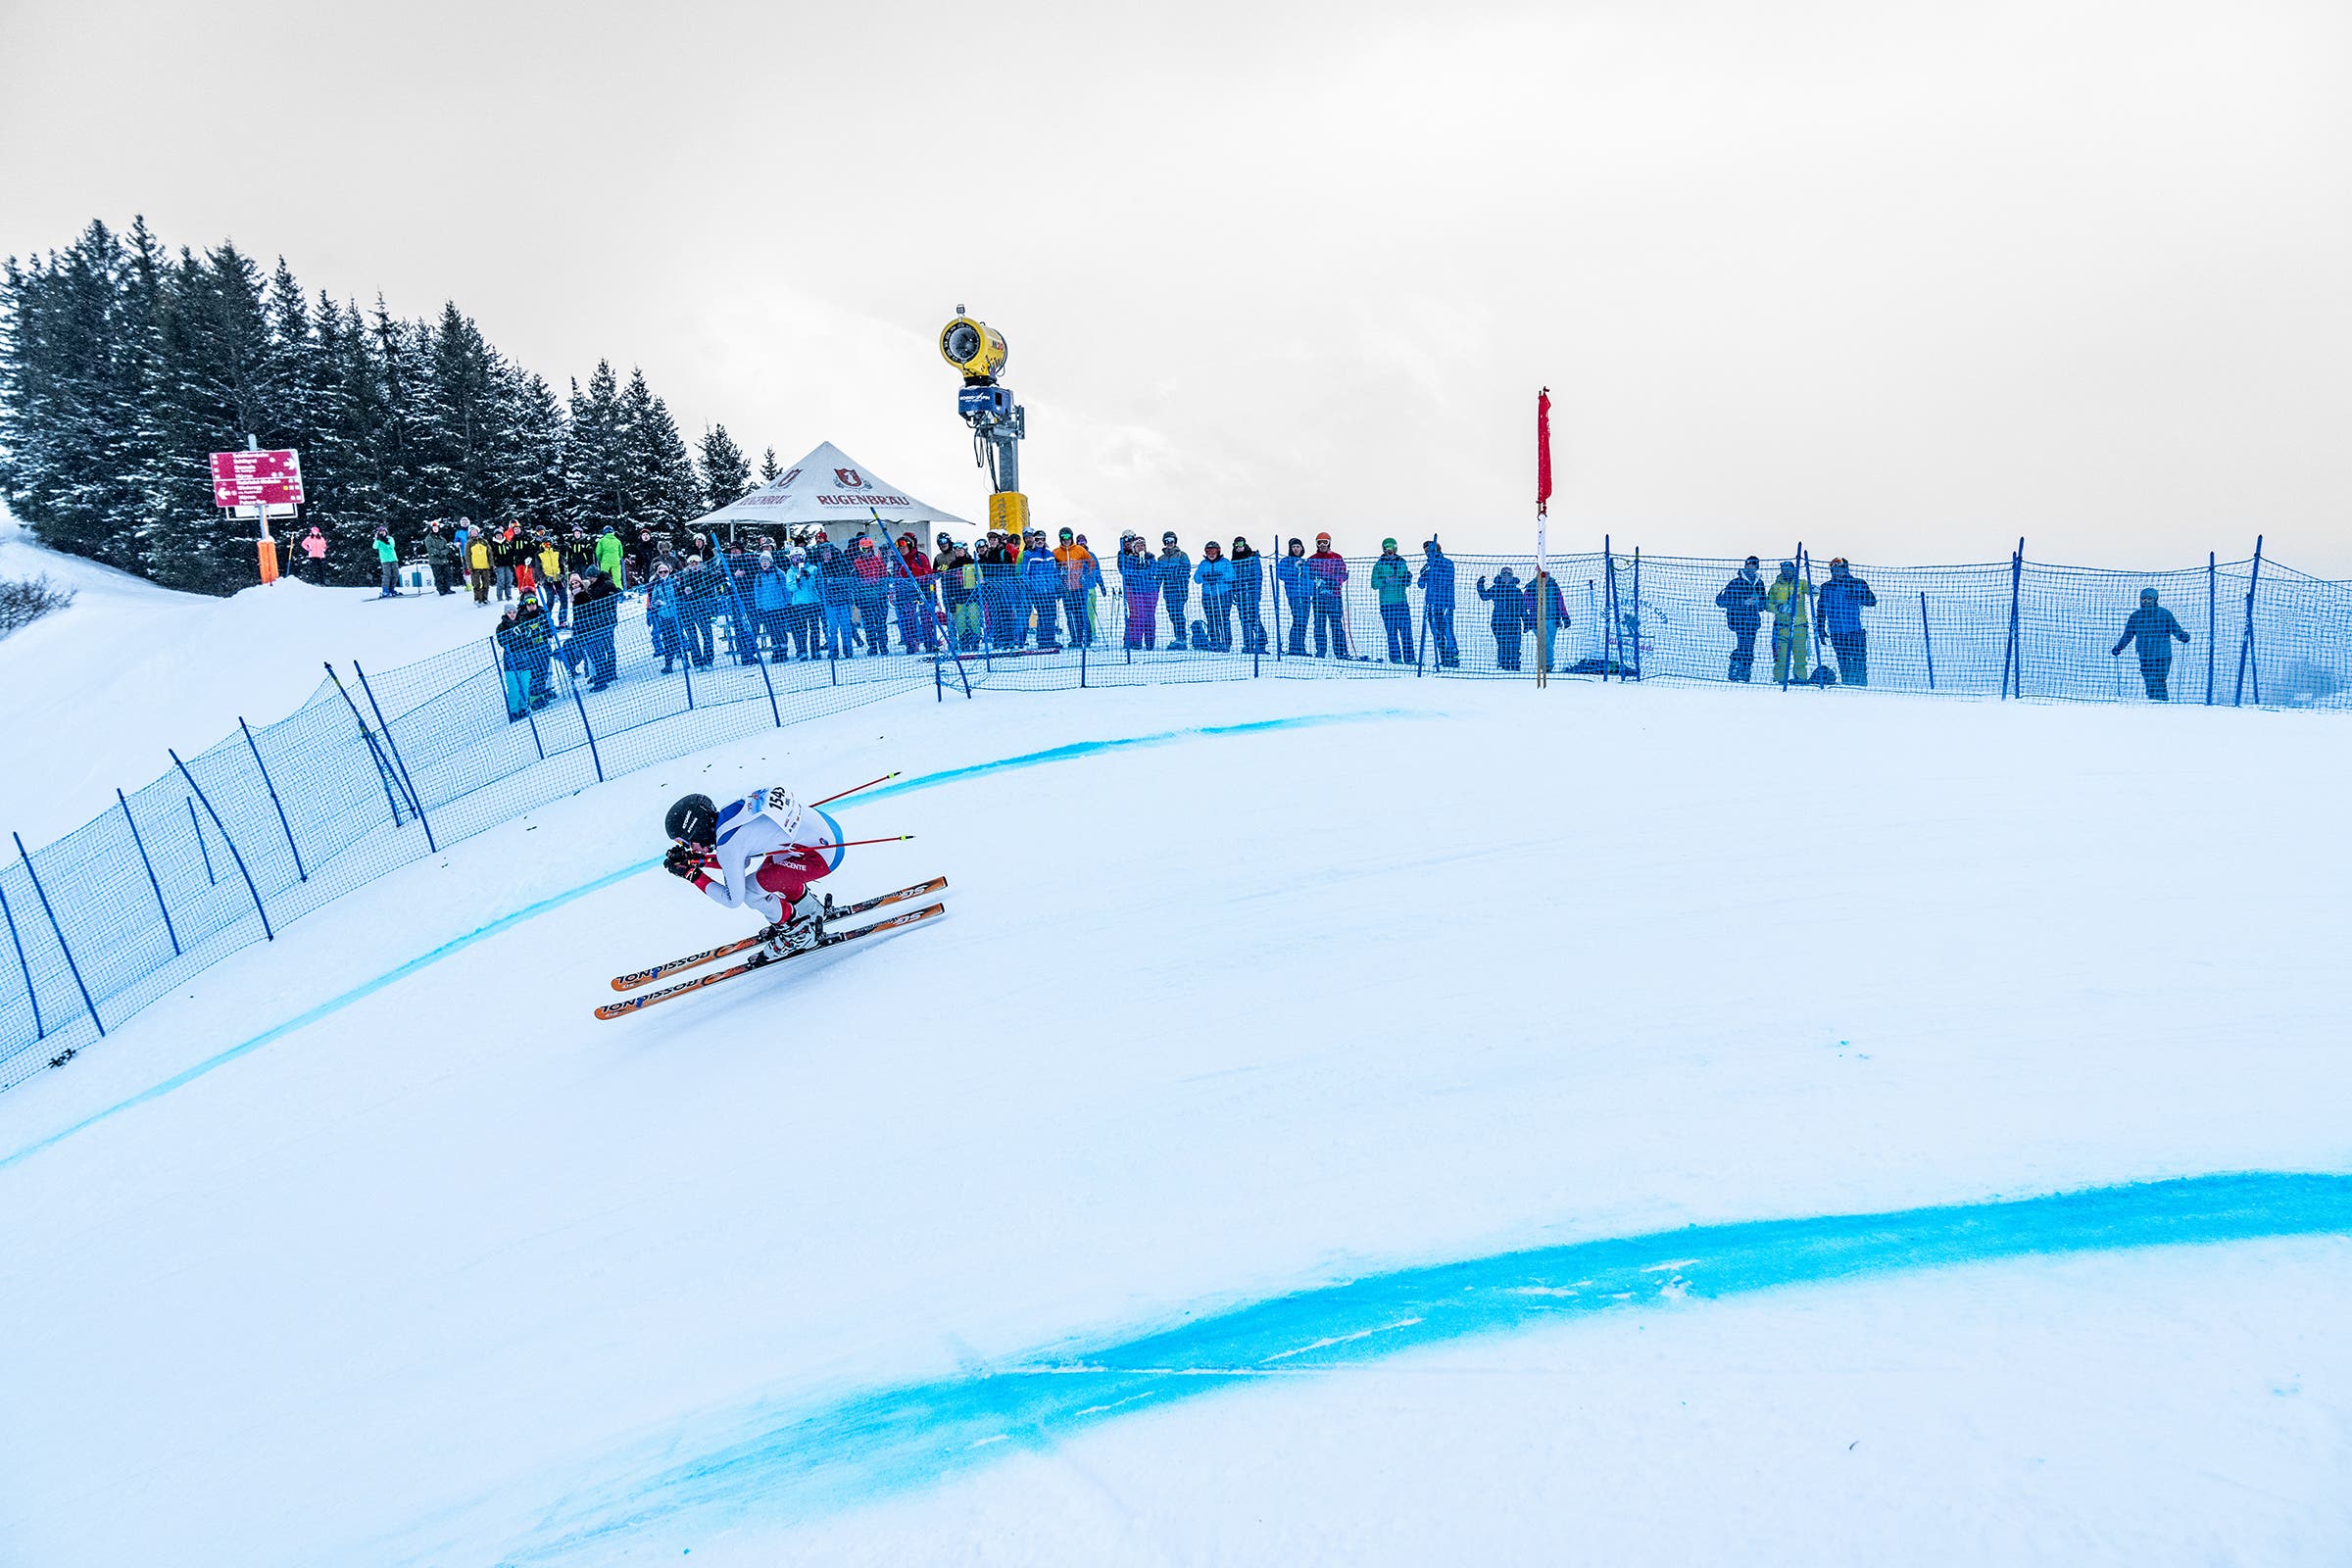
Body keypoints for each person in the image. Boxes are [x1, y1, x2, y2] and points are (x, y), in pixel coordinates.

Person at [662, 787, 846, 960]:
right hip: (825, 833)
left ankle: (798, 934)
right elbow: (742, 859)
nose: (689, 848)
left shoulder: (728, 847)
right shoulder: (726, 814)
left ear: (696, 829)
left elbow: (732, 899)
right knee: (768, 876)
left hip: (823, 855)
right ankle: (810, 910)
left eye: (686, 842)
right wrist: (695, 861)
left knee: (751, 892)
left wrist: (692, 875)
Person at [2110, 588, 2191, 700]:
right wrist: (2118, 648)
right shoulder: (2135, 616)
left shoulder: (2164, 614)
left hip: (2163, 655)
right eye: (2144, 598)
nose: (2146, 601)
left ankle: (2159, 704)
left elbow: (2175, 629)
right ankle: (2159, 704)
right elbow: (2128, 635)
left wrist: (2182, 636)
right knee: (2150, 680)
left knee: (2159, 679)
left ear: (2155, 599)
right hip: (2145, 655)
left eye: (2149, 598)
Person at [1815, 559, 1878, 687]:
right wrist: (1821, 629)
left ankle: (1861, 688)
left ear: (1846, 569)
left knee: (1859, 663)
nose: (1836, 572)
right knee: (1844, 664)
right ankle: (1847, 690)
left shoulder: (1858, 583)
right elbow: (1821, 609)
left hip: (1855, 631)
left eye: (1839, 569)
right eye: (1833, 570)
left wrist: (1857, 596)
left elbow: (1872, 601)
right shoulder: (1826, 587)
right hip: (1837, 633)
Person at [1715, 557, 1768, 682]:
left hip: (1753, 620)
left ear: (1757, 567)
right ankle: (1736, 667)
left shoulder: (1759, 583)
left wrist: (1758, 603)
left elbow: (1763, 604)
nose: (1751, 567)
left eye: (1754, 565)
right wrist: (1744, 602)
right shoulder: (1735, 582)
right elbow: (1722, 601)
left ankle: (1744, 669)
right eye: (1748, 564)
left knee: (1749, 646)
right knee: (1744, 644)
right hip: (1738, 619)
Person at [1765, 561, 1813, 684]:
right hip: (1782, 627)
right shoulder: (1775, 586)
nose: (1787, 572)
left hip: (1799, 626)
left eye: (1789, 570)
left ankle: (1801, 678)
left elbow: (1812, 591)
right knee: (1781, 657)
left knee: (1800, 656)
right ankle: (1779, 679)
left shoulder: (1801, 583)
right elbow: (1768, 604)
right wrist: (1779, 608)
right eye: (1784, 570)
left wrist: (1814, 589)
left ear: (1794, 571)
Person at [1370, 538, 1414, 662]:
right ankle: (1395, 658)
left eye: (1391, 548)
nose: (1389, 550)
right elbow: (1374, 584)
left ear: (1395, 548)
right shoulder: (1379, 565)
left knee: (1406, 631)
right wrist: (1385, 581)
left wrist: (1407, 578)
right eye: (1386, 548)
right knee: (1392, 632)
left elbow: (1406, 583)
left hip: (1401, 602)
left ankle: (1410, 659)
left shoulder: (1402, 563)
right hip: (1387, 603)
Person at [1306, 532, 1349, 658]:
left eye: (1325, 542)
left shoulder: (1336, 557)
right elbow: (1308, 575)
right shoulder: (1312, 559)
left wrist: (1334, 581)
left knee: (1336, 623)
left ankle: (1340, 652)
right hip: (1318, 597)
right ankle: (1321, 651)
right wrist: (1316, 581)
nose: (1322, 545)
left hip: (1334, 596)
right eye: (1320, 542)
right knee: (1319, 623)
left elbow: (1342, 573)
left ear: (1329, 542)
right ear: (1316, 544)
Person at [1478, 566, 1529, 670]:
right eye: (1504, 575)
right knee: (1503, 644)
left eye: (1509, 575)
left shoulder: (1517, 591)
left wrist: (1526, 622)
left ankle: (1515, 666)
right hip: (1498, 622)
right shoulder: (1496, 589)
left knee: (1515, 645)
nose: (1506, 577)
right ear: (1501, 576)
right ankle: (1504, 665)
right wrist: (1480, 585)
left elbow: (1522, 608)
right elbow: (1484, 596)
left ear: (1512, 576)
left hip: (1514, 622)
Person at [1419, 539, 1459, 667]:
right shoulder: (1427, 566)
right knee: (1436, 631)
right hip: (1431, 603)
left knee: (1447, 630)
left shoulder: (1447, 563)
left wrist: (1432, 571)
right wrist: (1425, 574)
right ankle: (1443, 657)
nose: (1427, 553)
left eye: (1429, 550)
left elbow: (1447, 579)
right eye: (1425, 551)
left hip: (1445, 603)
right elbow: (1420, 584)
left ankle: (1453, 656)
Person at [1020, 530, 1063, 648]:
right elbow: (1024, 574)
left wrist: (1057, 586)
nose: (1040, 541)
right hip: (1037, 591)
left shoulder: (1050, 554)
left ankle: (1050, 639)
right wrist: (1030, 588)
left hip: (1049, 590)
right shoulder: (1029, 555)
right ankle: (1043, 640)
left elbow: (1055, 573)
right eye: (1037, 539)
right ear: (1034, 540)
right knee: (1044, 614)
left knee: (1051, 614)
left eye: (1042, 539)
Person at [1117, 533, 1160, 650]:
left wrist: (1147, 573)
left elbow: (1154, 571)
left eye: (1143, 545)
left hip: (1150, 590)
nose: (1141, 547)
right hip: (1136, 590)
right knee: (1138, 615)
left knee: (1150, 615)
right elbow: (1126, 572)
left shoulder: (1151, 558)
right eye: (1138, 545)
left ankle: (1150, 641)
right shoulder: (1130, 559)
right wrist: (1139, 570)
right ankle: (1135, 641)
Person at [1194, 540, 1235, 652]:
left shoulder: (1225, 562)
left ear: (1218, 551)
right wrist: (1205, 576)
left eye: (1213, 551)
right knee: (1211, 619)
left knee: (1223, 618)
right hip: (1208, 594)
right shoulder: (1204, 564)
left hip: (1223, 594)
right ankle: (1214, 641)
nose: (1211, 554)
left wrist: (1220, 576)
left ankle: (1226, 642)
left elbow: (1232, 576)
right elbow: (1196, 578)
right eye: (1208, 551)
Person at [1523, 571, 1569, 671]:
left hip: (1553, 620)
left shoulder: (1554, 586)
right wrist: (1536, 604)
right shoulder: (1531, 587)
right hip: (1537, 620)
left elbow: (1560, 602)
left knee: (1549, 644)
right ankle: (1547, 665)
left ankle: (1542, 664)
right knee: (1545, 642)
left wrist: (1565, 616)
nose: (1544, 577)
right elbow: (1525, 603)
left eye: (1546, 574)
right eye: (1542, 574)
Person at [784, 546, 824, 658]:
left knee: (814, 628)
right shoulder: (790, 572)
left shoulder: (813, 568)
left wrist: (808, 577)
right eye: (793, 558)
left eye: (797, 558)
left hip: (813, 601)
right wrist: (797, 580)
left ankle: (815, 650)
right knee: (801, 629)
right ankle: (802, 651)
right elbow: (790, 587)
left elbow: (816, 584)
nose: (795, 560)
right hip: (798, 604)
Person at [1229, 537, 1267, 654]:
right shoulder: (1234, 560)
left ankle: (1261, 642)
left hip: (1251, 592)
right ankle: (1248, 644)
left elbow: (1258, 576)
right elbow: (1232, 578)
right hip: (1240, 593)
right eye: (1237, 544)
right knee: (1244, 618)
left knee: (1254, 617)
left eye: (1241, 544)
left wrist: (1257, 591)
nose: (1239, 546)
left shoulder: (1252, 557)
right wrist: (1234, 591)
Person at [1277, 537, 1312, 656]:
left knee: (1304, 620)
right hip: (1294, 594)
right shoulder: (1286, 561)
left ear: (1302, 548)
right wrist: (1294, 568)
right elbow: (1281, 574)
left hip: (1306, 595)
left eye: (1298, 546)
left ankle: (1300, 647)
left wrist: (1313, 587)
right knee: (1298, 618)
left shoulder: (1305, 562)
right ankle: (1294, 647)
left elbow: (1309, 578)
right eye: (1293, 547)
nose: (1296, 549)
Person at [1158, 532, 1192, 649]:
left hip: (1179, 589)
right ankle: (1178, 636)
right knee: (1172, 613)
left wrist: (1176, 573)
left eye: (1171, 540)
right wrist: (1156, 586)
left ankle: (1181, 637)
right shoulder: (1161, 559)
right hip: (1168, 590)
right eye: (1167, 541)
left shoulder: (1182, 555)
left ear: (1175, 541)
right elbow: (1159, 575)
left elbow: (1186, 570)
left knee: (1178, 612)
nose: (1169, 543)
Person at [371, 525, 399, 597]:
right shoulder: (378, 540)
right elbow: (374, 547)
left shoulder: (390, 538)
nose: (382, 533)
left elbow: (392, 546)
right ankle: (385, 590)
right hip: (385, 560)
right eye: (380, 532)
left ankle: (392, 589)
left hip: (393, 559)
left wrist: (385, 540)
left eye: (383, 531)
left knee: (395, 574)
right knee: (387, 575)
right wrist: (377, 539)